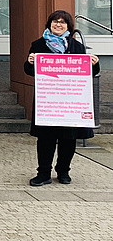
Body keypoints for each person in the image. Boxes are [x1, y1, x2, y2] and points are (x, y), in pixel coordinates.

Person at [24, 10, 100, 186]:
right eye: (55, 21)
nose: (58, 25)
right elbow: (28, 71)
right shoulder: (38, 45)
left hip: (70, 103)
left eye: (62, 22)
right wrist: (30, 62)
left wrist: (94, 65)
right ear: (49, 24)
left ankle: (64, 171)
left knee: (68, 139)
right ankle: (43, 173)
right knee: (45, 139)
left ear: (69, 26)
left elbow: (87, 73)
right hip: (48, 102)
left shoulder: (77, 47)